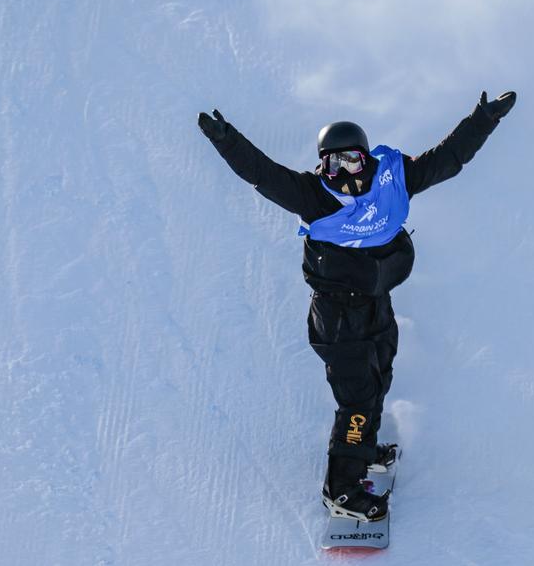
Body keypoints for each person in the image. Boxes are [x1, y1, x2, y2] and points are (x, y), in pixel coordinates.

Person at [197, 90, 517, 521]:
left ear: (365, 159)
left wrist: (484, 119)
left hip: (375, 303)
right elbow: (262, 173)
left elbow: (448, 159)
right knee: (358, 399)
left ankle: (362, 447)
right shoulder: (313, 196)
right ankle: (342, 489)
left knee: (379, 375)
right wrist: (226, 139)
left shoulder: (393, 180)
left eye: (350, 161)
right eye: (332, 164)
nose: (342, 172)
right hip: (336, 315)